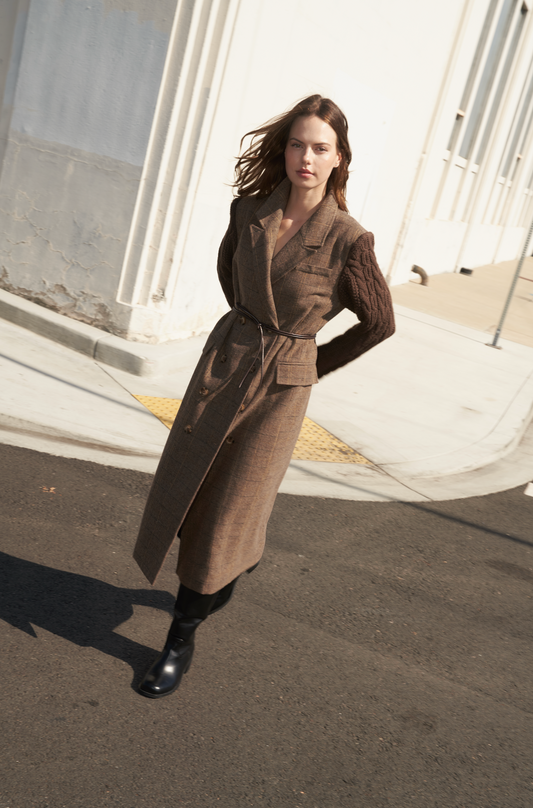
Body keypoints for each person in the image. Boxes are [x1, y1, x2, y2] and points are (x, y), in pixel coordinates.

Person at [133, 95, 395, 699]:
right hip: (224, 365)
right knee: (192, 491)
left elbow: (378, 322)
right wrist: (247, 329)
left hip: (281, 391)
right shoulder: (248, 210)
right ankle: (223, 569)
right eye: (298, 144)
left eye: (320, 148)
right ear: (286, 149)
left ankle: (180, 637)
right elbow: (232, 277)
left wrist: (308, 365)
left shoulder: (349, 240)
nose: (307, 157)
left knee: (231, 508)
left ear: (338, 160)